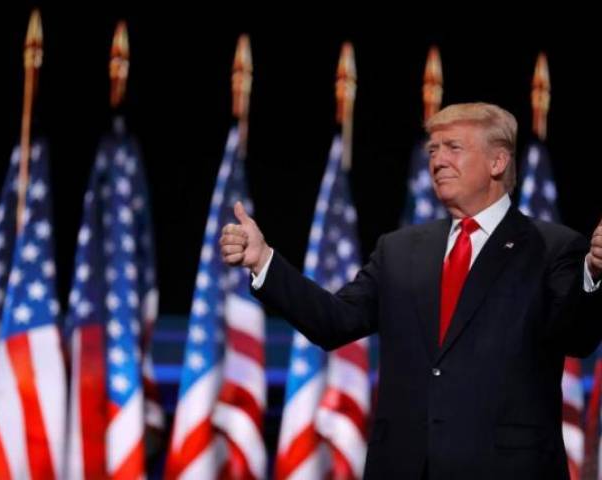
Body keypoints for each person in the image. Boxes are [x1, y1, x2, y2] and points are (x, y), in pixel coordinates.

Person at [220, 102, 602, 479]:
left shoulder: (550, 246)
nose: (437, 161)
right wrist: (264, 261)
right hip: (403, 465)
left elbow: (577, 336)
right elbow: (333, 322)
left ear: (497, 162)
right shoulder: (399, 250)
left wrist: (593, 273)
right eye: (433, 149)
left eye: (453, 148)